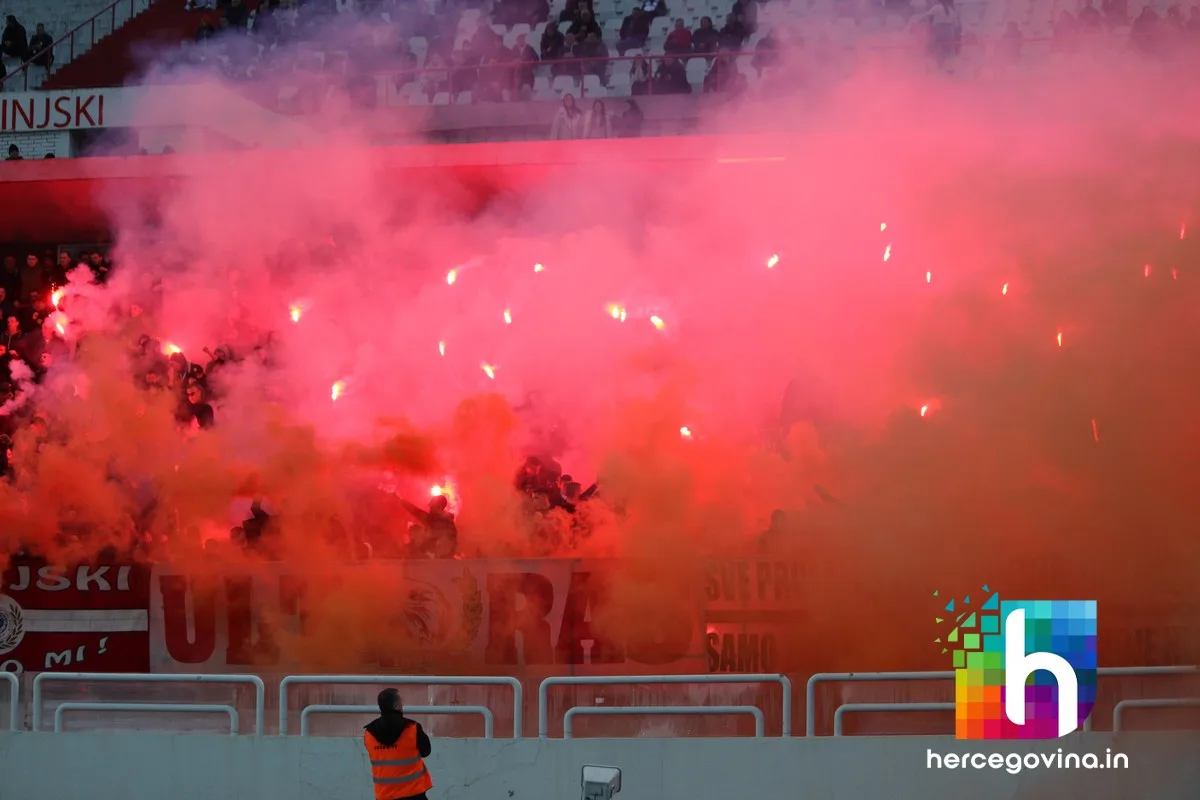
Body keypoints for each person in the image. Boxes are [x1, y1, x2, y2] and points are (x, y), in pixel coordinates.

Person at [364, 688, 433, 800]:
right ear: (396, 706)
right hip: (414, 794)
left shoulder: (369, 733)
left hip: (385, 796)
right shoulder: (412, 728)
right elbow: (426, 751)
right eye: (401, 702)